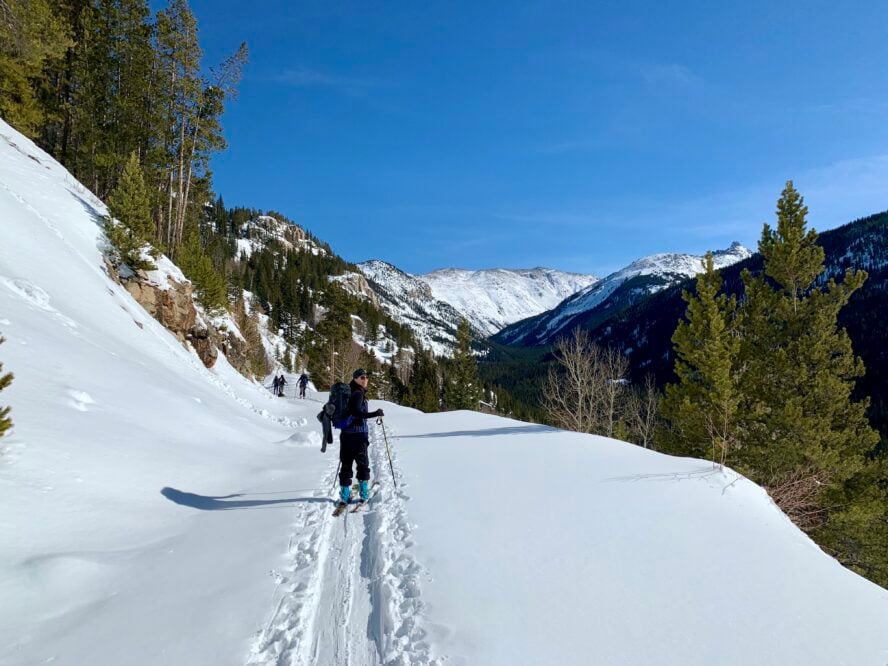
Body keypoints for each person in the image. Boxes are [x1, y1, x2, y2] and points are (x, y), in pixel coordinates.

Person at [337, 368, 384, 506]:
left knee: (346, 464)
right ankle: (363, 494)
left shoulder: (349, 392)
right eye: (362, 377)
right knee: (362, 465)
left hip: (346, 435)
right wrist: (375, 413)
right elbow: (357, 412)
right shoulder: (358, 393)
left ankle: (345, 495)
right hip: (358, 436)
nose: (365, 379)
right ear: (355, 379)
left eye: (366, 377)